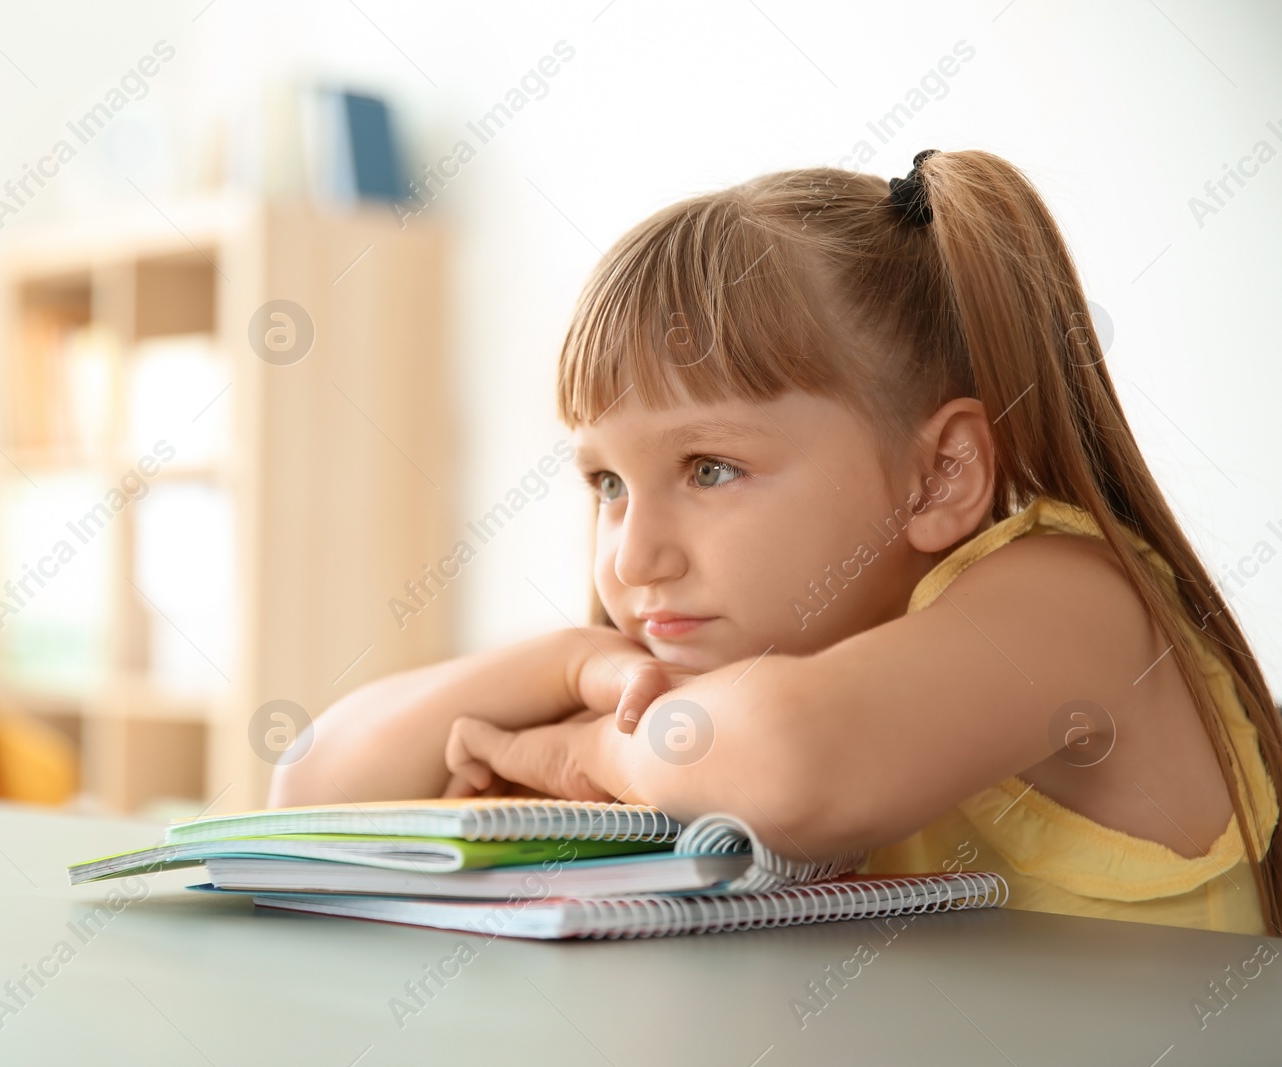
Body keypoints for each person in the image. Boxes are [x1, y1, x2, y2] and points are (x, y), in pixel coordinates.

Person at [271, 149, 1282, 936]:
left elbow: (801, 758)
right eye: (606, 484)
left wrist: (577, 751)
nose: (631, 557)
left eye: (710, 468)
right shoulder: (710, 686)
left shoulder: (1076, 601)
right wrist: (566, 661)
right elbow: (310, 788)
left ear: (941, 476)